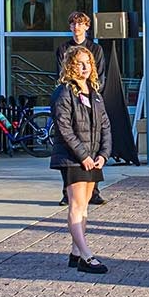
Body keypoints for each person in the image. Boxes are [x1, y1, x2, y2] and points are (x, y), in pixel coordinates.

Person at [50, 46, 110, 274]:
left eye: (88, 63)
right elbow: (64, 128)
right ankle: (86, 255)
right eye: (79, 63)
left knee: (84, 207)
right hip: (73, 159)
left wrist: (103, 154)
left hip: (93, 157)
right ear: (70, 66)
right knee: (76, 206)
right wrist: (83, 156)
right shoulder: (64, 93)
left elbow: (105, 125)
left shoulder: (94, 93)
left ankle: (76, 253)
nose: (85, 68)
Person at [55, 12, 107, 207]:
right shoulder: (63, 49)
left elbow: (99, 74)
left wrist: (92, 95)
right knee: (71, 144)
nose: (76, 27)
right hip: (72, 99)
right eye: (73, 24)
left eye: (80, 24)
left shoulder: (95, 49)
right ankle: (67, 191)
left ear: (87, 27)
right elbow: (60, 74)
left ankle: (93, 190)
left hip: (90, 98)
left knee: (92, 140)